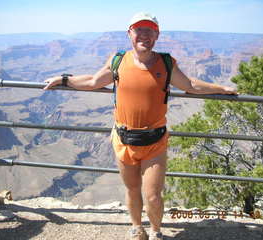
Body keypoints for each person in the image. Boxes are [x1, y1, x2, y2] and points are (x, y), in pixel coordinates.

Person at [44, 12, 237, 240]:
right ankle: (137, 228)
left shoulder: (166, 63)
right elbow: (94, 81)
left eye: (149, 30)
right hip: (124, 140)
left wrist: (222, 89)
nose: (144, 34)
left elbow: (191, 85)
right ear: (130, 34)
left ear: (157, 35)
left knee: (153, 195)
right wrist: (64, 79)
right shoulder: (118, 61)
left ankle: (156, 231)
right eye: (139, 29)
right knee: (132, 190)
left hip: (154, 141)